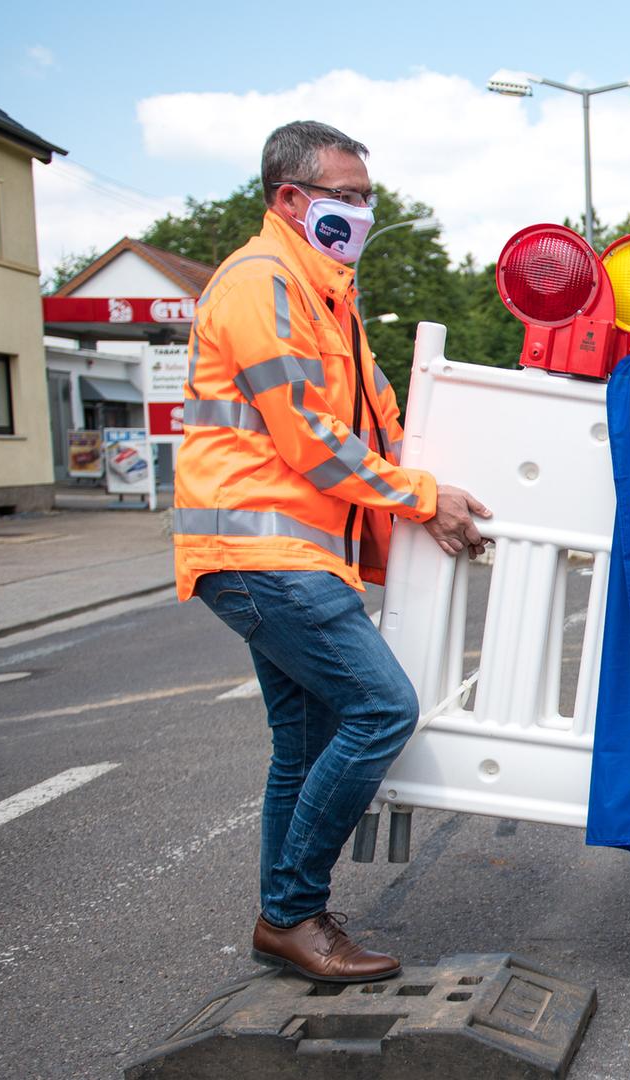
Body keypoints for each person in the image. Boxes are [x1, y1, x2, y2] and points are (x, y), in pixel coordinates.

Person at [173, 121, 492, 983]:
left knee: (306, 744)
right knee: (382, 708)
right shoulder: (262, 281)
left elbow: (382, 420)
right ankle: (290, 912)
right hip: (259, 549)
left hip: (287, 552)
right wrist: (422, 498)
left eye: (365, 197)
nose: (361, 212)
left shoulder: (328, 295)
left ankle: (287, 918)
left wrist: (436, 487)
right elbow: (308, 435)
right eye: (345, 197)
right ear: (290, 197)